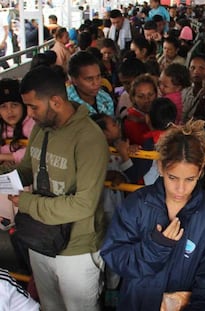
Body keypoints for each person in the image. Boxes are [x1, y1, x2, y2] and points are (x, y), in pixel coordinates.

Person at [101, 120, 205, 310]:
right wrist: (154, 248)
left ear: (200, 171)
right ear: (160, 167)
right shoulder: (137, 205)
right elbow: (114, 255)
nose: (180, 189)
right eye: (173, 178)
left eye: (190, 179)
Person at [7, 66, 108, 310]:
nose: (28, 115)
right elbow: (26, 172)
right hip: (39, 238)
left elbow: (84, 205)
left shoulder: (89, 138)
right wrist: (4, 179)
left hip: (76, 250)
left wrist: (29, 203)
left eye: (33, 107)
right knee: (49, 306)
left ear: (55, 101)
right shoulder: (42, 129)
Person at [0, 79, 35, 228]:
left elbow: (34, 151)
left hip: (28, 174)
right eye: (3, 106)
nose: (9, 111)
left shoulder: (33, 123)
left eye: (14, 105)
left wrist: (6, 157)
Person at [67, 51, 114, 116]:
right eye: (89, 79)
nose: (96, 83)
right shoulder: (66, 105)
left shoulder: (105, 98)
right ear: (74, 80)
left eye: (98, 76)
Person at [124, 74, 157, 146]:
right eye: (141, 96)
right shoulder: (131, 122)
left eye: (150, 94)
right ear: (133, 98)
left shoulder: (159, 111)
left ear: (156, 94)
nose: (147, 100)